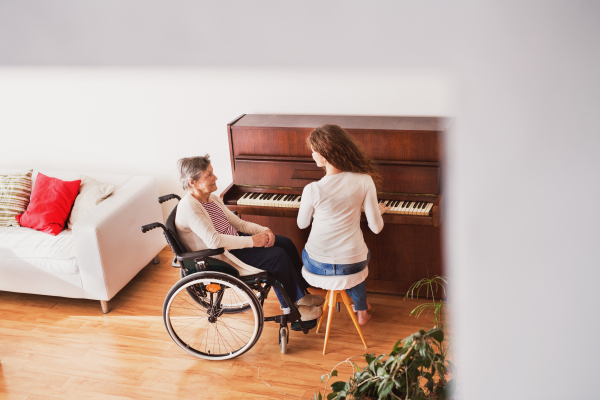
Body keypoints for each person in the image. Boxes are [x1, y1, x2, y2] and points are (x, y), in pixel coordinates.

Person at [174, 155, 324, 321]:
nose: (215, 177)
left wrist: (264, 231)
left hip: (235, 241)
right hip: (222, 255)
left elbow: (239, 225)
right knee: (277, 256)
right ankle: (292, 309)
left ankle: (300, 294)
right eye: (208, 175)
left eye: (212, 172)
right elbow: (214, 241)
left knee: (286, 243)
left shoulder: (211, 198)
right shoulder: (190, 206)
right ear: (192, 182)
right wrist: (253, 241)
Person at [297, 124, 390, 325]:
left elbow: (302, 224)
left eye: (313, 152)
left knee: (307, 253)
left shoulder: (312, 189)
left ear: (322, 156)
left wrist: (320, 211)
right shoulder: (365, 180)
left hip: (318, 265)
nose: (311, 155)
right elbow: (376, 227)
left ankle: (302, 299)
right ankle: (361, 309)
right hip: (353, 263)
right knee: (352, 258)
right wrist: (375, 211)